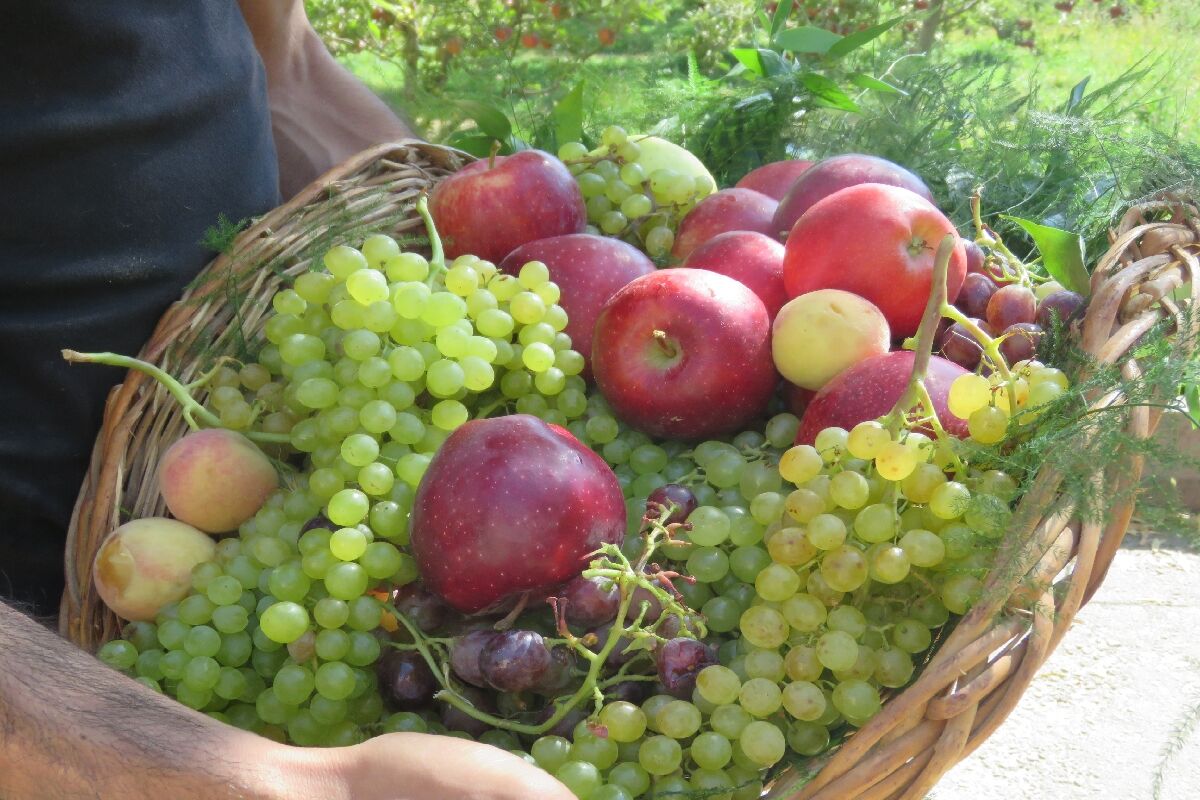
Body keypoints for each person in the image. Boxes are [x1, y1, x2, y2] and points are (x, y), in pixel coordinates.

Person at [0, 3, 573, 798]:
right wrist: (246, 779)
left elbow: (286, 61)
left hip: (251, 455)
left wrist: (476, 225)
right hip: (65, 693)